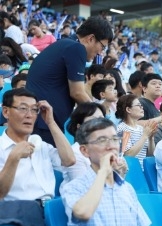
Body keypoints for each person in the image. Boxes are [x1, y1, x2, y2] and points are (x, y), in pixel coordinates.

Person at [60, 118, 161, 226]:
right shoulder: (74, 187)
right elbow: (84, 213)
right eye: (102, 140)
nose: (111, 146)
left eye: (114, 139)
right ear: (85, 151)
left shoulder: (126, 188)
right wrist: (103, 172)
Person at [26, 16, 113, 146]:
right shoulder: (77, 48)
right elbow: (77, 93)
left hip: (40, 119)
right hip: (44, 122)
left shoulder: (65, 44)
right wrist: (101, 116)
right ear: (91, 38)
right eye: (103, 47)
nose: (101, 53)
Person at [0, 88, 75, 201]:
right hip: (17, 212)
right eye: (23, 108)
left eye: (34, 110)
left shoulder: (41, 145)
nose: (29, 115)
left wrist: (50, 122)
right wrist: (13, 158)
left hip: (48, 209)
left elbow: (69, 160)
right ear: (6, 112)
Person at [61, 102, 126, 190]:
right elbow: (83, 189)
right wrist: (107, 172)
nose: (100, 124)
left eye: (102, 119)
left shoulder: (111, 148)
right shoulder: (75, 153)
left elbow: (115, 190)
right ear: (79, 127)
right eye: (94, 120)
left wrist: (119, 173)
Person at [116, 94, 158, 168]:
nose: (142, 108)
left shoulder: (141, 128)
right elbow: (128, 155)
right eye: (139, 105)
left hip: (144, 170)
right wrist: (145, 136)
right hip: (131, 171)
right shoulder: (121, 129)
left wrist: (151, 138)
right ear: (128, 109)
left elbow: (151, 154)